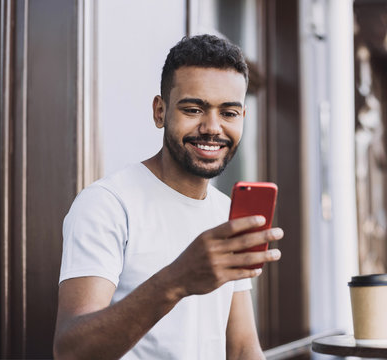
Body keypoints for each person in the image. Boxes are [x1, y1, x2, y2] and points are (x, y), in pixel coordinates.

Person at [53, 34, 284, 360]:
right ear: (160, 112)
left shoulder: (227, 212)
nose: (212, 127)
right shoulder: (107, 204)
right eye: (193, 109)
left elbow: (243, 347)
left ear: (242, 118)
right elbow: (70, 351)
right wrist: (176, 280)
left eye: (229, 113)